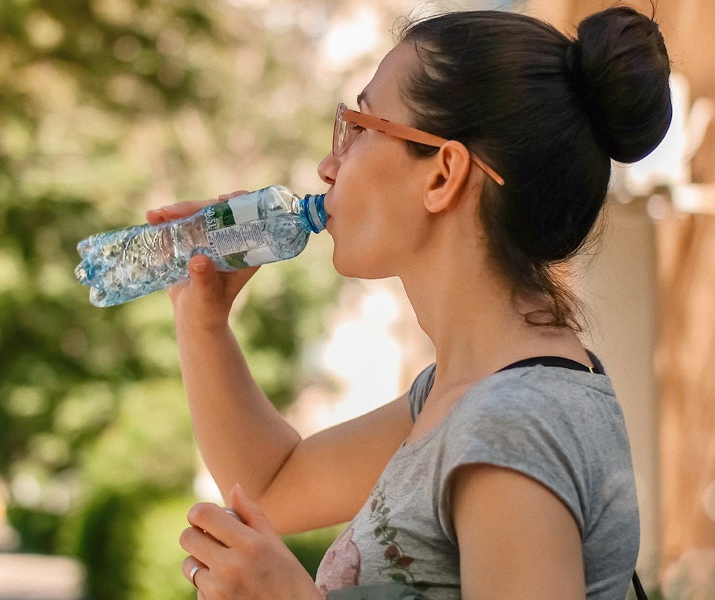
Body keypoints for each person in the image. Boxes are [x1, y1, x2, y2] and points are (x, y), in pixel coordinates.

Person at [149, 5, 672, 599]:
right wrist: (203, 318)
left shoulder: (512, 423)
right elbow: (273, 485)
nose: (328, 166)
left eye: (360, 128)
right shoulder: (463, 397)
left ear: (442, 174)